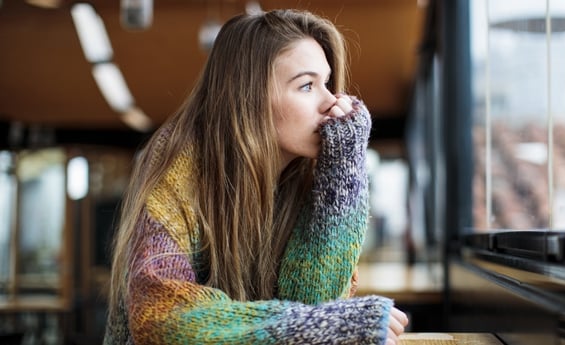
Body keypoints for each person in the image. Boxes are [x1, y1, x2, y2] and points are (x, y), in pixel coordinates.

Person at [103, 8, 409, 345]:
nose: (332, 101)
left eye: (326, 83)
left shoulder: (305, 177)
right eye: (307, 86)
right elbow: (163, 319)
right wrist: (336, 324)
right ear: (249, 99)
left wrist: (344, 166)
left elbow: (312, 303)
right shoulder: (179, 171)